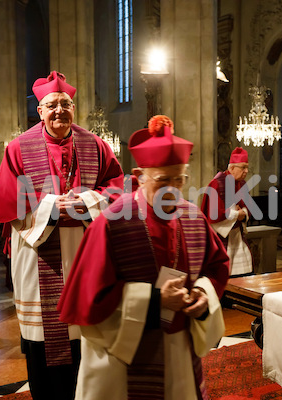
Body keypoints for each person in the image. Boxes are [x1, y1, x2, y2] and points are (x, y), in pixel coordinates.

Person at [57, 115, 230, 399]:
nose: (174, 188)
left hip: (179, 348)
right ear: (138, 177)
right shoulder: (113, 222)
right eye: (164, 180)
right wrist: (154, 300)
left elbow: (215, 267)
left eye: (180, 178)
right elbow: (90, 299)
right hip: (122, 357)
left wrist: (202, 294)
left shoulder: (193, 217)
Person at [0, 71, 124, 400]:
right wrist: (49, 207)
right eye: (52, 105)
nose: (59, 110)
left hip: (84, 251)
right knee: (42, 341)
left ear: (74, 107)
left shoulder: (96, 145)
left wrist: (86, 201)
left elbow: (118, 188)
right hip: (38, 256)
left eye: (66, 104)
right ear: (40, 110)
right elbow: (5, 202)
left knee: (86, 335)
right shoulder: (19, 148)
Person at [200, 147, 253, 276]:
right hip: (222, 237)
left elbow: (248, 208)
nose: (246, 171)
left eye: (247, 167)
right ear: (232, 168)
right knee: (223, 274)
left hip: (237, 235)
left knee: (244, 276)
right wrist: (237, 214)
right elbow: (214, 214)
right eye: (242, 167)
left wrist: (243, 214)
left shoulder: (242, 184)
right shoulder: (217, 184)